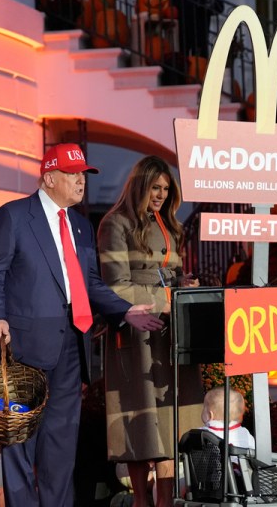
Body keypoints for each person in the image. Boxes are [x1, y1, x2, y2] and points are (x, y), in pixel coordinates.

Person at [0, 143, 164, 507]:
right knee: (20, 445)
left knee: (61, 447)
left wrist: (124, 311)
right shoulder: (12, 217)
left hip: (71, 347)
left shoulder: (79, 225)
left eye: (83, 174)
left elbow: (90, 283)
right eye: (72, 174)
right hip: (22, 346)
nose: (81, 181)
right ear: (49, 177)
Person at [98, 155, 203, 507]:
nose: (160, 195)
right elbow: (115, 286)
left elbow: (169, 275)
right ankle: (141, 501)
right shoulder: (115, 224)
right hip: (136, 331)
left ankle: (166, 500)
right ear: (140, 184)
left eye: (165, 189)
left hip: (170, 332)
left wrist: (183, 284)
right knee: (140, 419)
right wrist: (166, 297)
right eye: (155, 187)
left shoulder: (171, 225)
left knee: (172, 419)